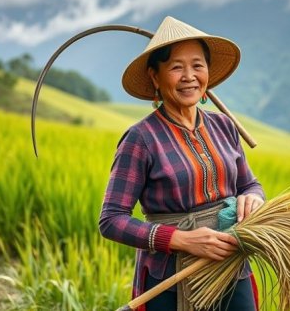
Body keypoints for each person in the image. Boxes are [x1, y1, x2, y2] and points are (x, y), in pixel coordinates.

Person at [99, 16, 265, 311]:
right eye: (177, 67)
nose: (189, 76)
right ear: (155, 77)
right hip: (170, 276)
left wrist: (253, 198)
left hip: (231, 262)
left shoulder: (224, 126)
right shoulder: (141, 138)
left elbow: (248, 184)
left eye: (197, 65)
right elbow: (111, 220)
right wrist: (182, 240)